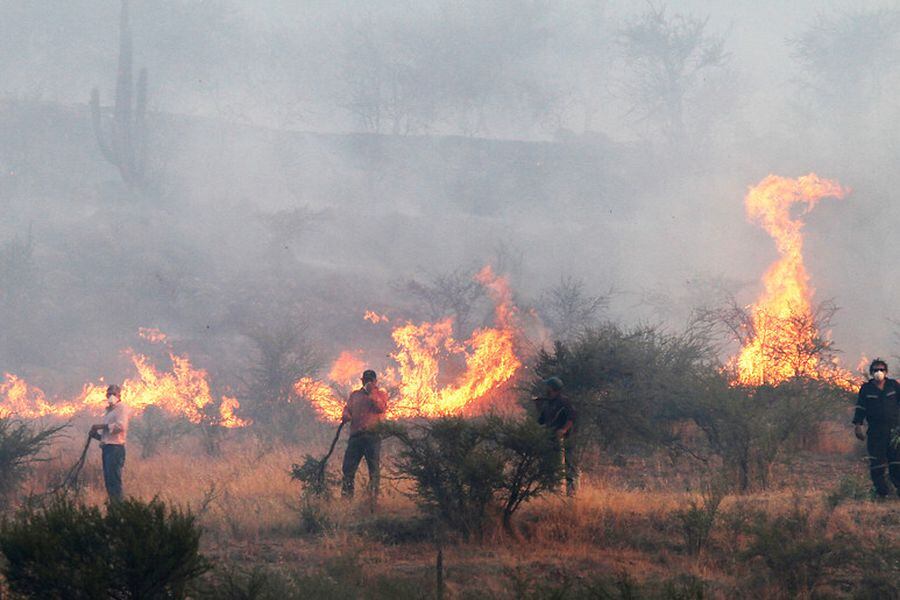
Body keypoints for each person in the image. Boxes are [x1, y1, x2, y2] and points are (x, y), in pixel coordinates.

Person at [853, 359, 900, 499]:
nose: (878, 372)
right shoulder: (866, 389)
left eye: (881, 369)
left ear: (886, 372)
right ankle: (882, 493)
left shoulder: (893, 386)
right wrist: (858, 425)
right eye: (875, 370)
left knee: (897, 463)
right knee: (877, 464)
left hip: (894, 432)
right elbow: (860, 408)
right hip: (876, 432)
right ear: (871, 372)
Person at [341, 370, 388, 500]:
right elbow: (347, 408)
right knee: (348, 469)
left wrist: (371, 393)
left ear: (375, 382)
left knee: (373, 470)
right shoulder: (354, 395)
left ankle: (373, 501)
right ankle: (346, 500)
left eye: (370, 380)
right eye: (365, 380)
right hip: (355, 437)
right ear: (361, 380)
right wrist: (346, 415)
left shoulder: (380, 394)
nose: (367, 382)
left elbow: (381, 408)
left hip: (372, 437)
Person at [533, 376, 578, 496]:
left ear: (553, 388)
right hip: (550, 439)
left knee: (568, 465)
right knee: (549, 465)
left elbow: (572, 417)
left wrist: (563, 430)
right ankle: (551, 492)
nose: (546, 389)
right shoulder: (548, 403)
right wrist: (538, 407)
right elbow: (541, 421)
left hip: (564, 439)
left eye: (548, 387)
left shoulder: (564, 401)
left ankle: (571, 493)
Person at [90, 384, 130, 502]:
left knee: (114, 481)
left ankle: (118, 509)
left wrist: (101, 426)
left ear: (119, 395)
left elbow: (121, 427)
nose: (111, 396)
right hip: (108, 449)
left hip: (115, 449)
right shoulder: (109, 410)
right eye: (109, 394)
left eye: (113, 394)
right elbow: (108, 437)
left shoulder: (121, 408)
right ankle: (114, 509)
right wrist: (96, 436)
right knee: (109, 481)